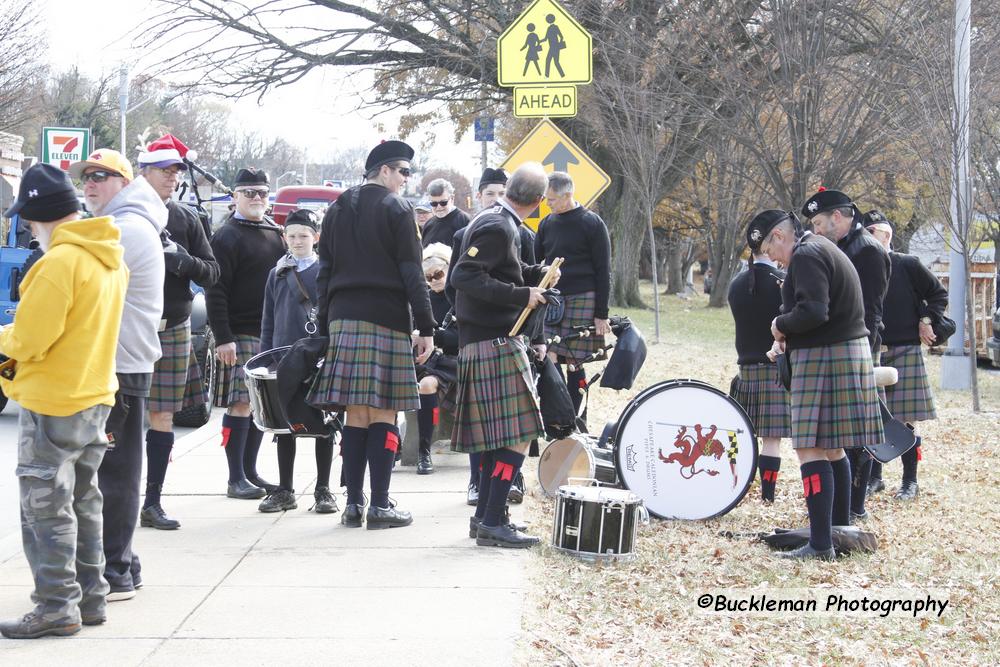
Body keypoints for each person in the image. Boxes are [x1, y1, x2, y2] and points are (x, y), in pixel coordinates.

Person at [0, 165, 128, 639]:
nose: (30, 230)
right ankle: (90, 599)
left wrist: (3, 335)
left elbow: (30, 339)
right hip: (94, 393)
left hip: (52, 399)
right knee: (83, 500)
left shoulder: (58, 263)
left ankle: (55, 605)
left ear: (40, 217)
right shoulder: (108, 256)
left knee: (45, 509)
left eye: (29, 222)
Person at [308, 140, 434, 529]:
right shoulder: (397, 209)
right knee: (383, 411)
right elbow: (412, 271)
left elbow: (324, 273)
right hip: (385, 317)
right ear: (383, 171)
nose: (405, 179)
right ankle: (380, 504)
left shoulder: (336, 209)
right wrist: (426, 326)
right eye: (403, 171)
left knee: (356, 415)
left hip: (343, 319)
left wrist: (326, 323)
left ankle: (353, 504)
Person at [752, 211, 882, 559]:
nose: (772, 258)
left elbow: (813, 312)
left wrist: (779, 324)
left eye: (770, 248)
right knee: (832, 447)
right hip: (841, 352)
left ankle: (821, 545)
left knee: (809, 449)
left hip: (827, 356)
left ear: (780, 235)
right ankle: (839, 532)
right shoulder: (821, 247)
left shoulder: (807, 255)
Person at [69, 149, 167, 601]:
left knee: (113, 476)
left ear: (125, 183)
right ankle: (124, 563)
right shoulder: (121, 224)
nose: (90, 183)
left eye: (102, 176)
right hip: (118, 363)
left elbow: (80, 290)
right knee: (109, 471)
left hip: (120, 366)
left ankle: (115, 571)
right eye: (86, 176)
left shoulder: (125, 230)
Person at [450, 161, 553, 548]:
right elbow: (464, 275)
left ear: (509, 188)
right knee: (520, 434)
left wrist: (534, 274)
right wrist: (520, 295)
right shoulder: (498, 225)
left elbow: (497, 269)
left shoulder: (497, 220)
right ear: (540, 201)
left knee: (500, 438)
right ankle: (493, 520)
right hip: (494, 340)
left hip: (487, 340)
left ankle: (486, 519)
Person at [136, 135, 220, 530]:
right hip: (129, 327)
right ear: (144, 171)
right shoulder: (127, 216)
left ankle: (152, 501)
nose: (172, 177)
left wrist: (182, 261)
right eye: (164, 170)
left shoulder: (187, 219)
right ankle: (115, 497)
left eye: (176, 170)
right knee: (117, 415)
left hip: (173, 326)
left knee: (162, 416)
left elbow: (212, 271)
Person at [802, 188, 890, 522]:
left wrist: (860, 355)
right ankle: (840, 507)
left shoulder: (866, 250)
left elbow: (867, 311)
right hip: (841, 348)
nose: (817, 230)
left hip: (860, 347)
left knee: (855, 435)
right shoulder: (838, 245)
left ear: (838, 217)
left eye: (820, 222)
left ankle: (855, 506)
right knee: (839, 434)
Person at [208, 168, 286, 500]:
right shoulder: (226, 236)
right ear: (235, 196)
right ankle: (234, 477)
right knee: (240, 405)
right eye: (249, 192)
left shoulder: (275, 232)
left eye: (262, 193)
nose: (256, 199)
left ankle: (251, 472)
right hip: (238, 333)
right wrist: (223, 337)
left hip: (269, 332)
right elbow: (215, 291)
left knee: (260, 407)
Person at [257, 209, 338, 514]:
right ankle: (285, 489)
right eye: (291, 236)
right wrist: (265, 358)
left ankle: (323, 490)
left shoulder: (324, 272)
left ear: (315, 237)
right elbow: (268, 319)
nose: (297, 241)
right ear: (284, 238)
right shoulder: (276, 273)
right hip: (282, 357)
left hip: (317, 357)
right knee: (284, 426)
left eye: (303, 235)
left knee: (324, 424)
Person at [863, 210, 947, 500]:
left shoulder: (908, 264)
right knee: (873, 418)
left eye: (870, 232)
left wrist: (926, 320)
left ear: (885, 235)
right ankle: (875, 478)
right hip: (872, 350)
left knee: (906, 419)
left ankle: (910, 481)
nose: (865, 238)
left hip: (905, 349)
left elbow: (938, 294)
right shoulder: (861, 267)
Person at [533, 171, 611, 429]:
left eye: (552, 199)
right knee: (548, 358)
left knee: (575, 364)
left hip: (583, 298)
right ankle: (554, 420)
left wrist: (601, 313)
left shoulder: (592, 223)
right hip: (552, 300)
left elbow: (603, 270)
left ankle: (575, 419)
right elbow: (535, 265)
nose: (548, 204)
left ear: (568, 195)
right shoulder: (546, 224)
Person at [727, 212, 791, 502]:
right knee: (772, 440)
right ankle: (767, 495)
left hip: (746, 370)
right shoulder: (783, 282)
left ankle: (735, 488)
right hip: (774, 367)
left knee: (742, 435)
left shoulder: (736, 284)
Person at [413, 242, 461, 475]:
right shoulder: (424, 299)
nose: (434, 280)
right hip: (430, 363)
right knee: (420, 384)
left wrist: (433, 336)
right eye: (428, 277)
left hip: (459, 361)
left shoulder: (462, 295)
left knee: (427, 384)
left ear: (450, 269)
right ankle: (422, 451)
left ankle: (424, 450)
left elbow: (462, 337)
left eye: (439, 274)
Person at [420, 178, 471, 248]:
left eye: (443, 202)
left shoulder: (465, 221)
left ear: (452, 198)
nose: (439, 207)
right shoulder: (428, 224)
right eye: (434, 203)